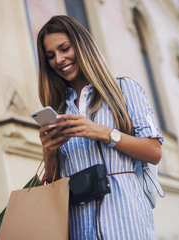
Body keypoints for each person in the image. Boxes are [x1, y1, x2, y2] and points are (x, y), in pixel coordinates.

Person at [36, 15, 164, 239]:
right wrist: (49, 152)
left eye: (65, 48)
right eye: (50, 56)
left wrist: (104, 133)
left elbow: (154, 152)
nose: (59, 59)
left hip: (128, 225)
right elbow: (55, 187)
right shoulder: (58, 112)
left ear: (81, 45)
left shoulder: (124, 90)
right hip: (80, 230)